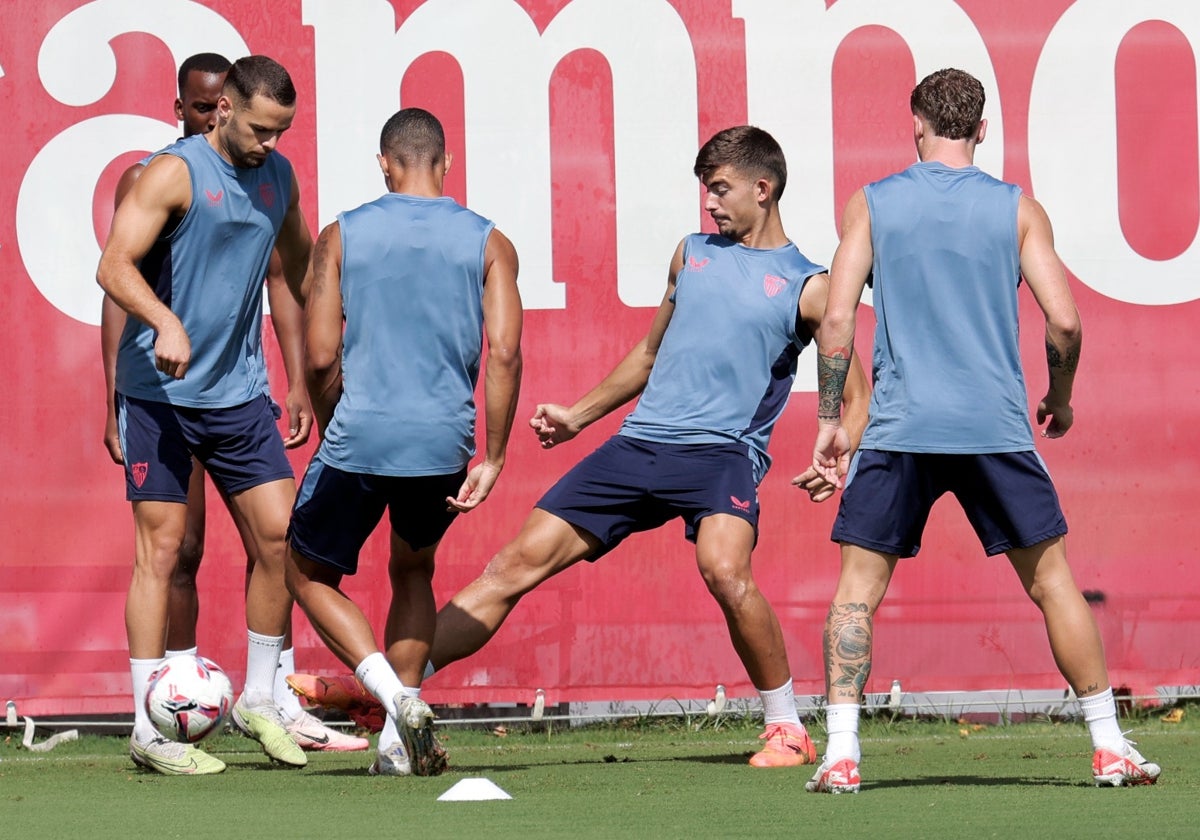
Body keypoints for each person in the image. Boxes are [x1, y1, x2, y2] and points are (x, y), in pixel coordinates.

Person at [417, 125, 869, 770]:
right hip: (637, 446)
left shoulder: (810, 287)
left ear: (762, 189)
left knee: (725, 571)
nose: (709, 203)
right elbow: (650, 354)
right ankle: (396, 685)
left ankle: (787, 728)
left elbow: (856, 392)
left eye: (720, 189)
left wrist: (840, 448)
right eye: (705, 190)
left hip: (722, 454)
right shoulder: (692, 255)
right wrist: (579, 416)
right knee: (512, 565)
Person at [806, 68, 1161, 793]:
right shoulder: (1016, 209)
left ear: (915, 124)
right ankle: (1108, 747)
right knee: (1054, 583)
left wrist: (829, 420)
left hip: (901, 430)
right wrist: (1060, 398)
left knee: (856, 592)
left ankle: (841, 753)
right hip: (994, 427)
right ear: (983, 129)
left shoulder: (872, 204)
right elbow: (1064, 321)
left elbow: (837, 320)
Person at [99, 53, 366, 758]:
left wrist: (311, 367)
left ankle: (257, 697)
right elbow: (113, 266)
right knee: (161, 551)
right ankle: (145, 728)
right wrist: (166, 320)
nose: (268, 143)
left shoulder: (279, 177)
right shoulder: (173, 173)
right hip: (159, 396)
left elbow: (304, 268)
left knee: (284, 539)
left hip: (239, 396)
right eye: (258, 129)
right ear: (223, 112)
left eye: (281, 131)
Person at [284, 108, 524, 777]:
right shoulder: (489, 242)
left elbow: (322, 353)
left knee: (303, 573)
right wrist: (495, 453)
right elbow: (504, 353)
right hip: (444, 444)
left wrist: (336, 427)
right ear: (444, 165)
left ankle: (390, 696)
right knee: (413, 569)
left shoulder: (342, 235)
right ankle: (400, 728)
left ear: (385, 165)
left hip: (361, 434)